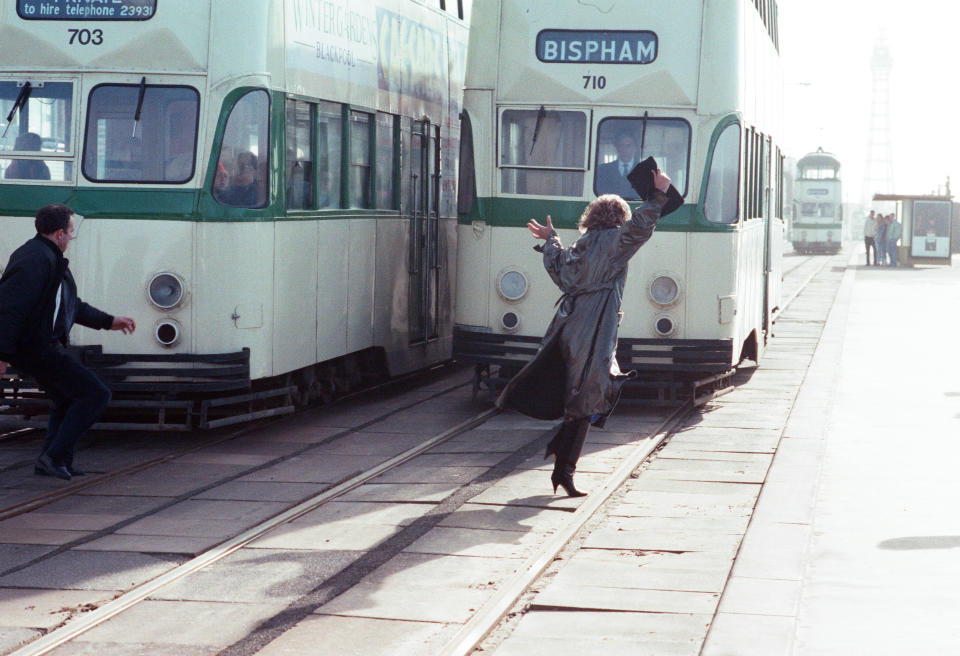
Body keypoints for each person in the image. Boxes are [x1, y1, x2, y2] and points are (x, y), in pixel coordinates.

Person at [496, 168, 673, 497]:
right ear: (619, 217)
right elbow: (640, 228)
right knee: (589, 395)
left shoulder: (583, 242)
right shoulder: (614, 242)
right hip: (595, 328)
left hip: (569, 326)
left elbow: (558, 266)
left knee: (581, 393)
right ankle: (564, 468)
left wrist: (551, 238)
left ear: (592, 216)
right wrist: (660, 194)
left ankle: (561, 458)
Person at [0, 204, 136, 480]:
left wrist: (109, 321)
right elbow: (8, 308)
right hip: (36, 348)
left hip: (41, 346)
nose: (72, 238)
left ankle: (55, 460)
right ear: (60, 233)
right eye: (72, 232)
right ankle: (53, 457)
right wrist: (1, 355)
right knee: (95, 394)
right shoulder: (34, 259)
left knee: (67, 396)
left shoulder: (47, 256)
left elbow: (71, 305)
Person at [595, 132, 640, 198]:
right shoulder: (603, 170)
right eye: (621, 145)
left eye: (628, 146)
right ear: (617, 148)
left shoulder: (644, 170)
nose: (624, 149)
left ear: (635, 148)